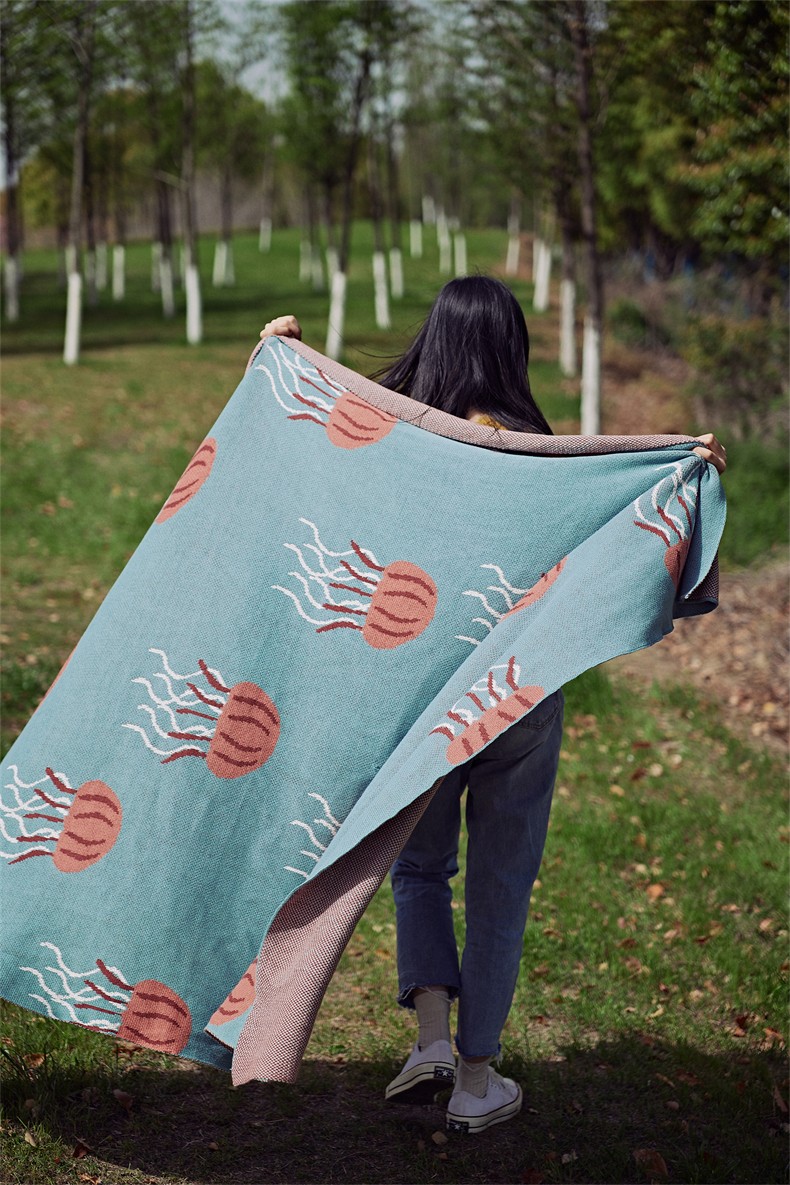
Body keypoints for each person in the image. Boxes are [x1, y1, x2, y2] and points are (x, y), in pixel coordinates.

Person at [259, 279, 726, 1134]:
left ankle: (431, 1042)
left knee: (420, 867)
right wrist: (685, 463)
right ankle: (476, 1079)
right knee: (500, 888)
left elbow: (323, 459)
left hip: (426, 702)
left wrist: (286, 353)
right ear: (512, 349)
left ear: (435, 341)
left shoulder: (408, 441)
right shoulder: (543, 455)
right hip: (520, 700)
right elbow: (623, 519)